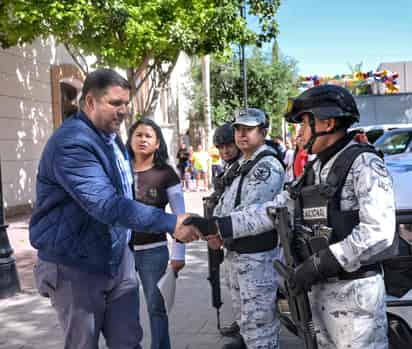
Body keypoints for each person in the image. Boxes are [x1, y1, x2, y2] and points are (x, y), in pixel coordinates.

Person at [188, 85, 396, 349]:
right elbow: (274, 210)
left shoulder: (363, 164)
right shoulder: (315, 168)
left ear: (327, 123)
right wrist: (216, 225)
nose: (299, 133)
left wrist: (319, 264)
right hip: (320, 296)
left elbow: (378, 232)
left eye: (304, 124)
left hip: (355, 302)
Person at [29, 68, 200, 349]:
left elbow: (124, 197)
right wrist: (170, 223)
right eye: (114, 103)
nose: (122, 112)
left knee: (128, 341)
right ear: (89, 102)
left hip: (117, 261)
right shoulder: (72, 143)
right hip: (75, 265)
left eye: (125, 104)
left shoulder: (112, 138)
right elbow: (106, 204)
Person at [189, 108, 285, 349]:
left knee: (260, 331)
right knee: (246, 324)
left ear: (263, 132)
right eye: (238, 129)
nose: (242, 135)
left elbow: (252, 214)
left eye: (249, 129)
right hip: (237, 255)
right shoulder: (242, 164)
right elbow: (225, 203)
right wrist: (215, 231)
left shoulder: (266, 166)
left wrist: (217, 229)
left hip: (257, 257)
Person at [127, 118, 185, 349]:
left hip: (154, 252)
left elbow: (180, 215)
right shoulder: (119, 168)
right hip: (121, 253)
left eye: (148, 136)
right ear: (130, 140)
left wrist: (179, 253)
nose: (142, 139)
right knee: (123, 310)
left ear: (158, 143)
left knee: (156, 308)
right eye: (138, 135)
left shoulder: (166, 174)